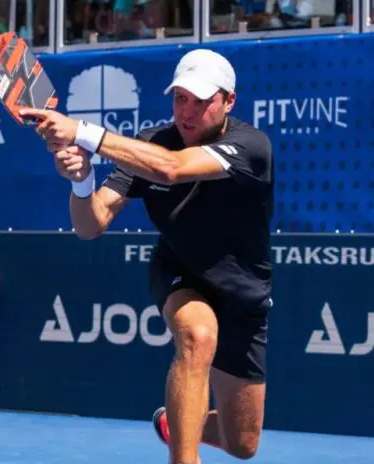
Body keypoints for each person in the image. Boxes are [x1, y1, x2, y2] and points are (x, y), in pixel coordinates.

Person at [20, 48, 273, 464]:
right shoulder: (149, 143)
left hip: (243, 294)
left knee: (242, 443)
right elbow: (90, 225)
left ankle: (174, 423)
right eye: (180, 99)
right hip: (180, 271)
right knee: (197, 336)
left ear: (228, 101)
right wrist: (83, 181)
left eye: (201, 101)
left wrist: (83, 132)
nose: (187, 112)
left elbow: (171, 168)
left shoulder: (251, 146)